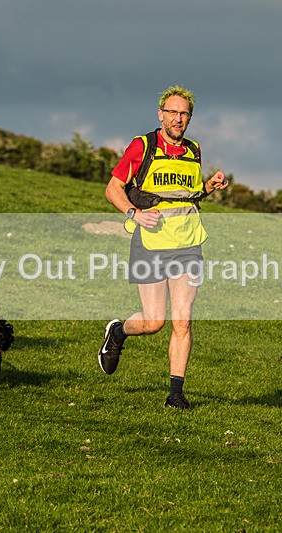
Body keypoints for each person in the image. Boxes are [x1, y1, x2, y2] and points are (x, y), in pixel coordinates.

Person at [98, 85, 228, 409]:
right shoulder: (142, 146)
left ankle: (175, 394)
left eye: (184, 113)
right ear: (160, 114)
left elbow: (189, 195)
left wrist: (208, 186)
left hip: (188, 244)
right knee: (154, 322)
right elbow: (113, 189)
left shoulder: (194, 150)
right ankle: (117, 332)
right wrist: (134, 213)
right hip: (152, 243)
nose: (178, 119)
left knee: (182, 320)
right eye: (172, 112)